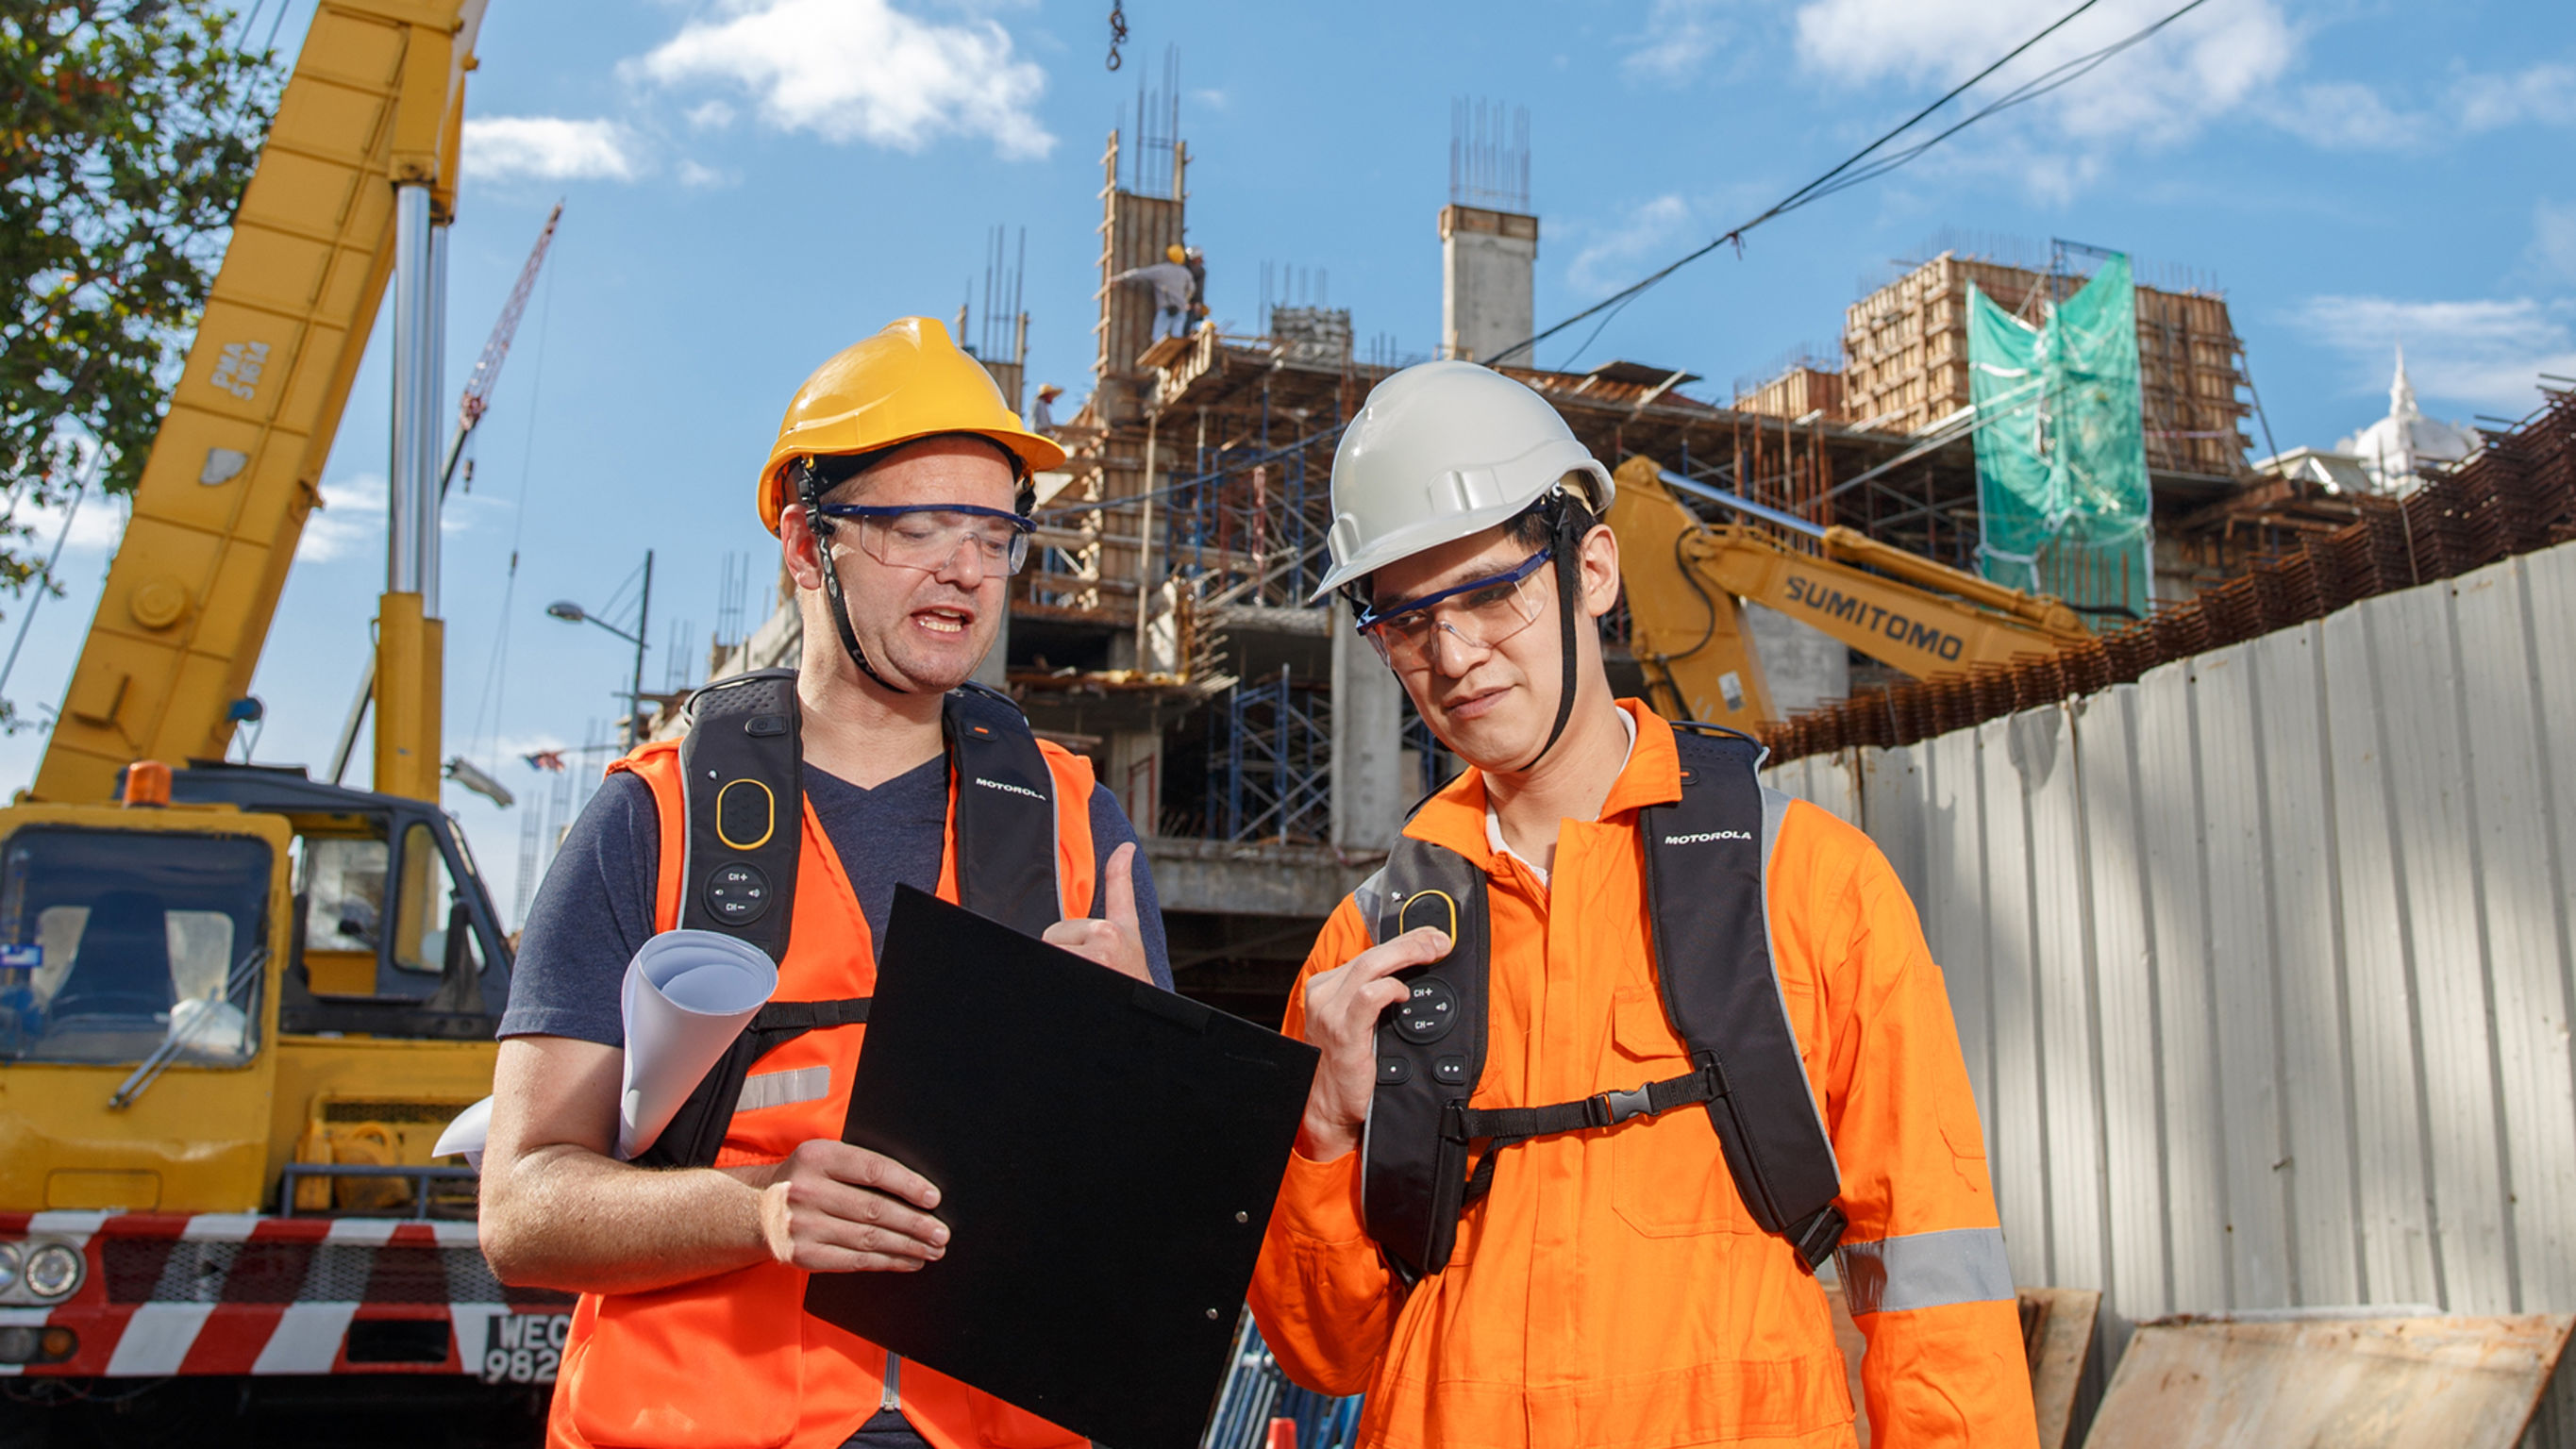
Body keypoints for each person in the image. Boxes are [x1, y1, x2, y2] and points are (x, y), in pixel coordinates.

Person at [1246, 361, 2036, 1448]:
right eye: (1405, 620)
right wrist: (1326, 1133)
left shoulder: (1810, 889)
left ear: (1595, 569)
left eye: (1489, 591)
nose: (1454, 654)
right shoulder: (1366, 952)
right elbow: (1323, 1353)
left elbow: (1939, 1290)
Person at [479, 316, 1175, 1449]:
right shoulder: (654, 821)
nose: (965, 567)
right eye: (919, 527)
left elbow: (1155, 1224)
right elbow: (521, 1211)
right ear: (807, 547)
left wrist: (1142, 1072)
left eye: (994, 532)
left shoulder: (1076, 829)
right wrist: (755, 1212)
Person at [1110, 242, 1195, 342]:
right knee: (1177, 337)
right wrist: (1185, 301)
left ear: (1168, 256)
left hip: (1166, 309)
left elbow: (1139, 274)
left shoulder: (1161, 270)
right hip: (1180, 310)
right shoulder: (1185, 273)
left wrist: (1119, 278)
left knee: (1158, 339)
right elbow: (1191, 289)